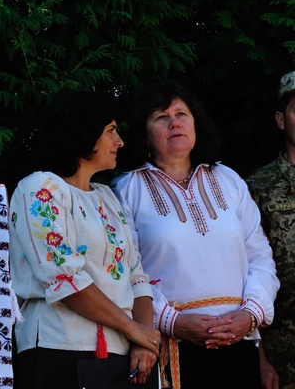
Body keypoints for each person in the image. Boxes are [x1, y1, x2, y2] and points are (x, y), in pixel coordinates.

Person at [113, 81, 278, 389]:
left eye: (181, 113)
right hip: (172, 347)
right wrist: (173, 322)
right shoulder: (126, 191)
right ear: (143, 133)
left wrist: (251, 314)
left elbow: (260, 256)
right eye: (161, 117)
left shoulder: (229, 180)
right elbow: (126, 272)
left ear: (196, 122)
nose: (174, 122)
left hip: (239, 342)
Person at [9, 92, 161, 389]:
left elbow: (137, 277)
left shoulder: (107, 197)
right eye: (110, 131)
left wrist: (144, 341)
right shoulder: (40, 187)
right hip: (58, 348)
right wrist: (133, 329)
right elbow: (63, 277)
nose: (120, 142)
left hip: (119, 356)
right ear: (83, 133)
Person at [247, 70, 295, 389]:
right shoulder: (255, 188)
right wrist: (259, 359)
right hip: (283, 360)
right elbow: (244, 276)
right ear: (281, 120)